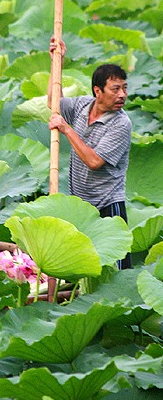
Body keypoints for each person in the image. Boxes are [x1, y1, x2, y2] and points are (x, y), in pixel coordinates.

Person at [47, 37, 132, 269]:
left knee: (117, 266)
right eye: (115, 89)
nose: (122, 95)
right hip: (81, 202)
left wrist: (66, 128)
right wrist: (57, 62)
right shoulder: (83, 105)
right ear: (98, 91)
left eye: (124, 88)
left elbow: (95, 161)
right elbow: (54, 102)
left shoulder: (121, 124)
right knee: (84, 264)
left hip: (108, 202)